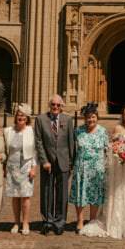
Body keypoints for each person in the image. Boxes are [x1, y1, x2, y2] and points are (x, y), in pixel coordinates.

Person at [81, 105, 125, 239]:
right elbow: (113, 148)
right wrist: (121, 154)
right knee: (118, 192)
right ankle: (115, 222)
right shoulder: (117, 128)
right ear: (122, 115)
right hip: (120, 166)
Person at [34, 95, 76, 235]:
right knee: (46, 191)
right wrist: (44, 160)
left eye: (58, 105)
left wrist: (71, 162)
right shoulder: (40, 119)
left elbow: (71, 141)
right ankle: (47, 221)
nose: (56, 107)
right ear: (49, 105)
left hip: (63, 161)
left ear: (61, 106)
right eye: (53, 105)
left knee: (62, 193)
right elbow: (38, 141)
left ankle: (60, 222)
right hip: (47, 162)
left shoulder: (68, 120)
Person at [69, 103, 109, 231]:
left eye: (93, 117)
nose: (90, 120)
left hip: (97, 170)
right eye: (88, 117)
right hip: (82, 168)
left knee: (95, 195)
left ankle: (92, 220)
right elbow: (72, 150)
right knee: (80, 195)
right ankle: (80, 220)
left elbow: (107, 150)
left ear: (97, 117)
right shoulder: (78, 131)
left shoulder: (103, 131)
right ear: (84, 118)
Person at [3, 104, 37, 235]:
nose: (20, 117)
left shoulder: (31, 131)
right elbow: (6, 150)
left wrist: (34, 168)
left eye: (23, 115)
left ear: (27, 118)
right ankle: (16, 222)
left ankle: (25, 222)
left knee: (25, 197)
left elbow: (35, 152)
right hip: (12, 167)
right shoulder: (8, 131)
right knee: (15, 197)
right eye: (18, 115)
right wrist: (4, 166)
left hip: (26, 167)